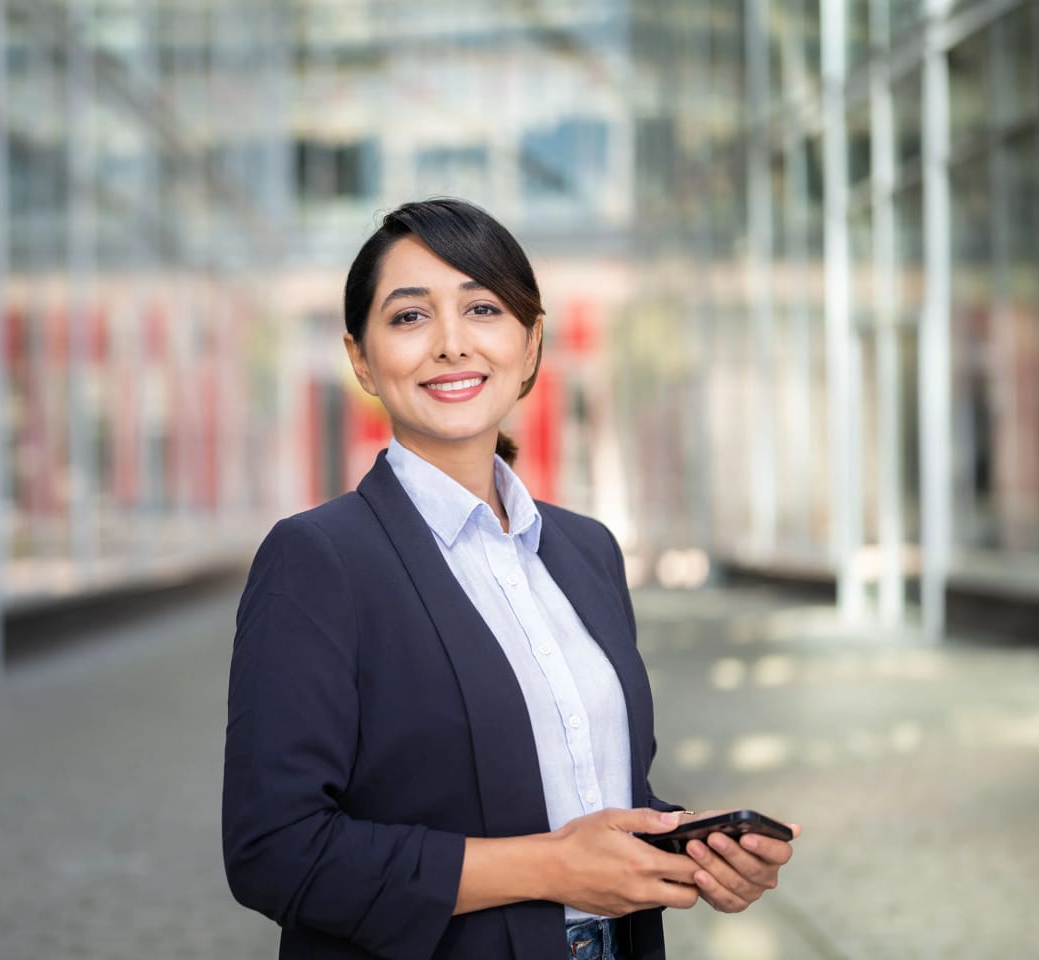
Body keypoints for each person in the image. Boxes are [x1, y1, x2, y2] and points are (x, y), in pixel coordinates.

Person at [221, 199, 799, 960]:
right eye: (409, 317)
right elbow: (276, 850)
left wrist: (686, 847)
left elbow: (584, 791)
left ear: (530, 345)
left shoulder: (585, 551)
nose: (452, 344)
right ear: (360, 357)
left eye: (483, 308)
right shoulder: (318, 560)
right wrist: (550, 867)